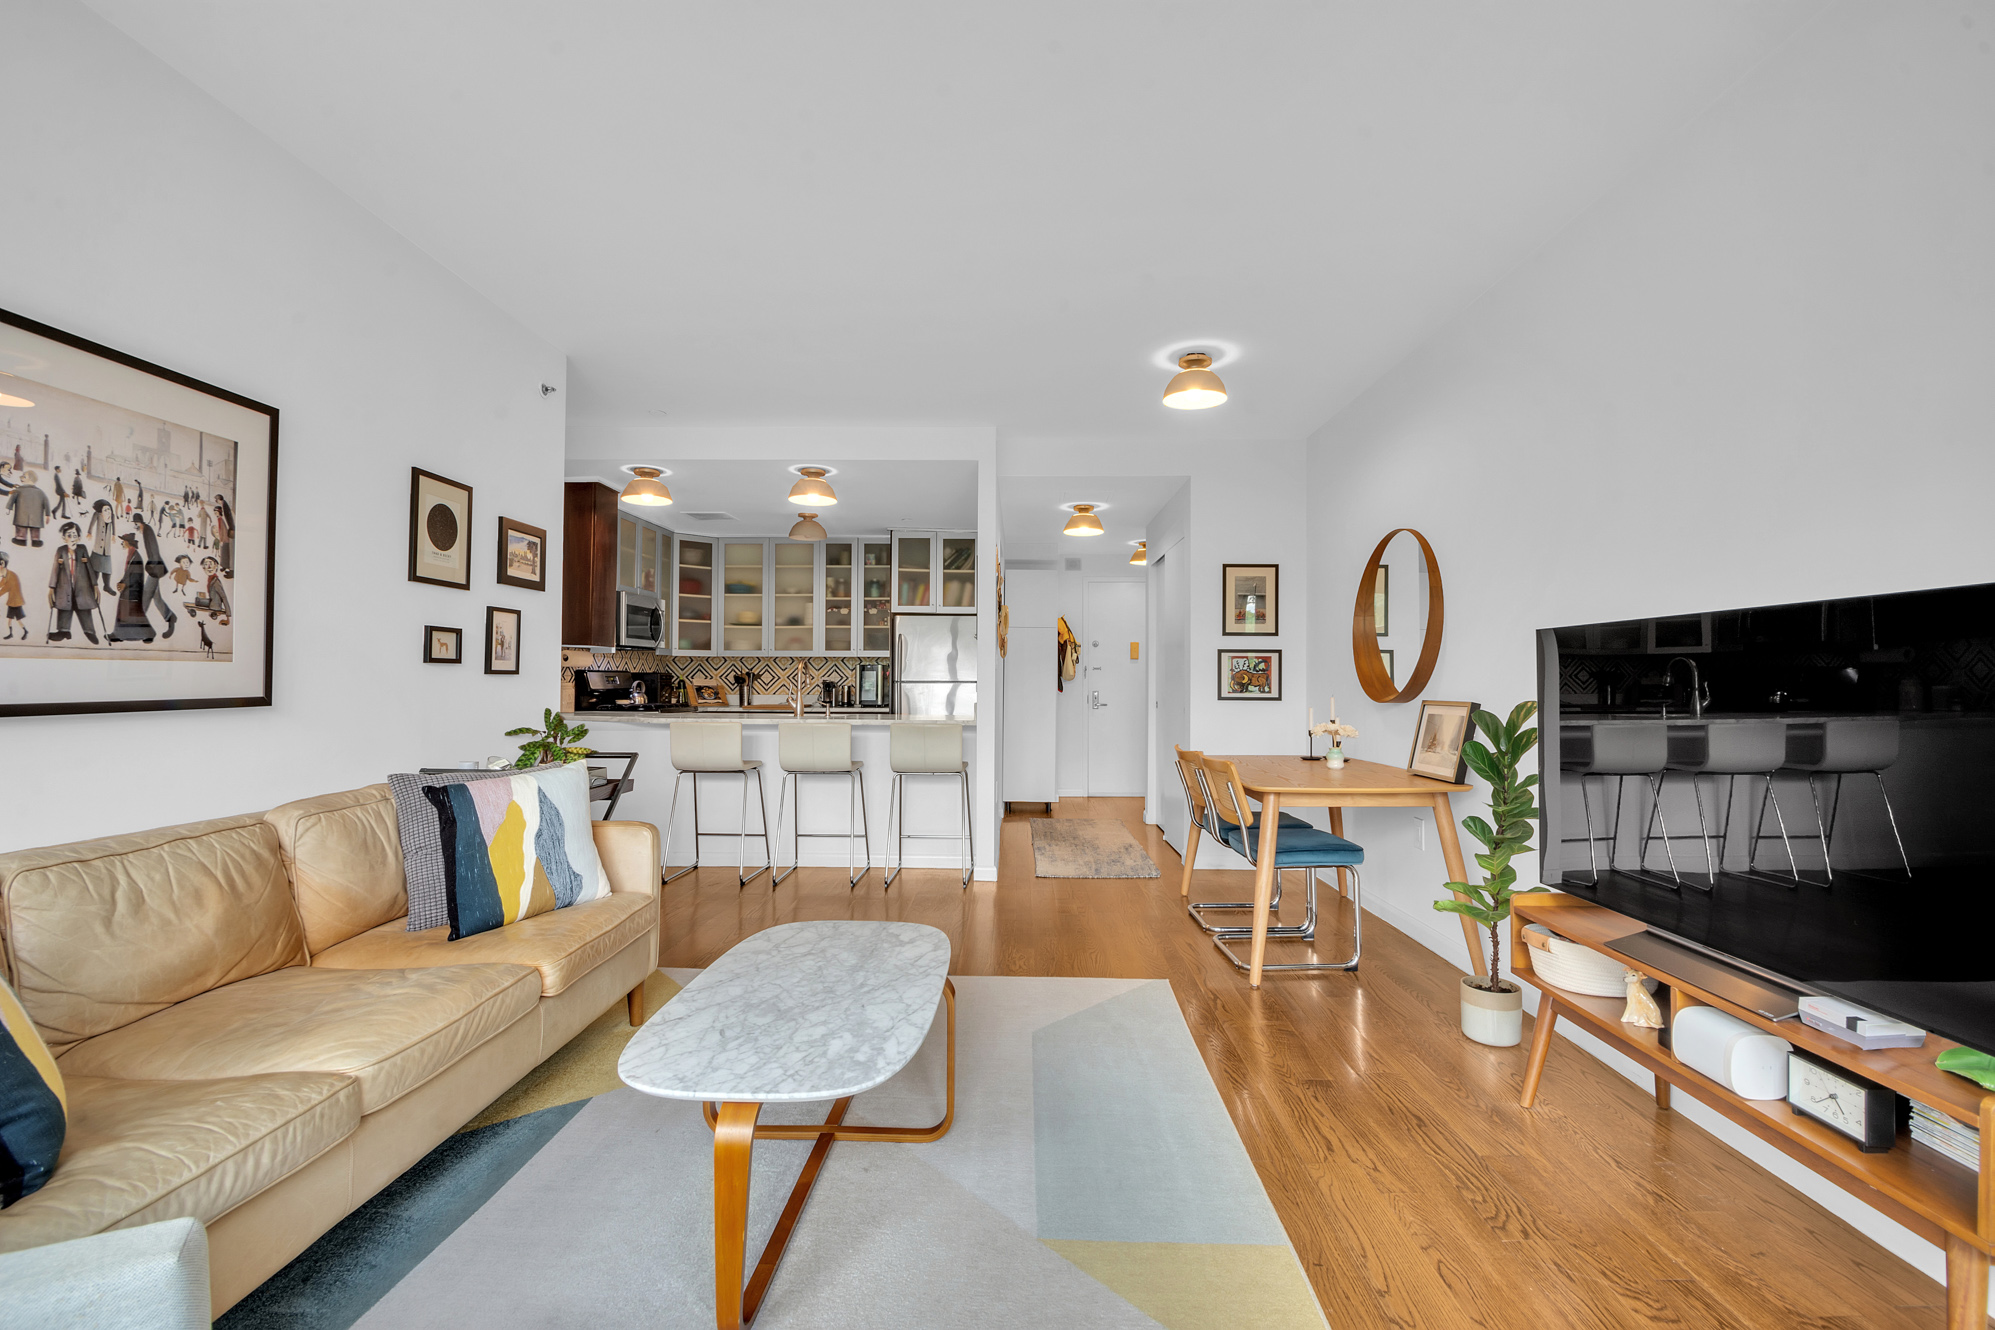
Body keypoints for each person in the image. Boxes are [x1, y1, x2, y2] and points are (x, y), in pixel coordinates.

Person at [47, 521, 99, 644]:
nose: (72, 539)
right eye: (69, 535)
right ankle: (63, 631)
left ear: (79, 538)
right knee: (64, 607)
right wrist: (51, 588)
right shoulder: (60, 550)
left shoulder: (82, 549)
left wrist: (95, 585)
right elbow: (55, 570)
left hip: (82, 586)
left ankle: (89, 631)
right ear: (64, 538)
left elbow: (90, 568)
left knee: (84, 608)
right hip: (64, 586)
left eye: (75, 535)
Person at [129, 510, 175, 639]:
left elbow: (154, 549)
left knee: (145, 596)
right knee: (157, 598)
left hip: (155, 569)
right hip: (154, 567)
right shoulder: (145, 530)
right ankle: (170, 617)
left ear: (139, 523)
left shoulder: (147, 530)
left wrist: (152, 565)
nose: (135, 526)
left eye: (136, 524)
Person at [110, 532, 155, 643]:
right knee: (124, 612)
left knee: (136, 614)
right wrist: (121, 582)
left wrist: (125, 584)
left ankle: (148, 634)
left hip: (134, 590)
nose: (122, 544)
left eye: (123, 542)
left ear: (127, 543)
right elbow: (128, 573)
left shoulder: (136, 557)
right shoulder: (131, 554)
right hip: (129, 590)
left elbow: (136, 576)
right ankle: (119, 634)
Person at [6, 470, 49, 547]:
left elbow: (12, 500)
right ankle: (35, 540)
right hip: (36, 517)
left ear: (31, 479)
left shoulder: (18, 490)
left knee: (21, 528)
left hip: (21, 515)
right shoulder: (40, 492)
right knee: (35, 529)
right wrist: (47, 514)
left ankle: (20, 539)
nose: (21, 477)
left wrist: (9, 508)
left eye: (24, 476)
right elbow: (46, 503)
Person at [86, 499, 117, 595]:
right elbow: (92, 523)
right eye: (105, 510)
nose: (107, 511)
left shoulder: (112, 516)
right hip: (98, 545)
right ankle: (92, 584)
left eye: (109, 509)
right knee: (95, 566)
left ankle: (106, 586)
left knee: (107, 567)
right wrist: (89, 532)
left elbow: (114, 526)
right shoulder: (97, 515)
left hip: (107, 547)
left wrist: (114, 535)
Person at [0, 550, 24, 641]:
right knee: (10, 619)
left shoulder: (11, 576)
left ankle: (25, 631)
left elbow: (5, 588)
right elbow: (2, 583)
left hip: (16, 602)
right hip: (12, 602)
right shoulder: (7, 574)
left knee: (18, 619)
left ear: (2, 564)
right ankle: (11, 633)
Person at [199, 554, 230, 621]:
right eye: (206, 565)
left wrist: (228, 615)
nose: (209, 567)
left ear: (216, 566)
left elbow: (223, 597)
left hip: (215, 608)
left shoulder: (216, 582)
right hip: (211, 606)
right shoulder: (210, 579)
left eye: (211, 564)